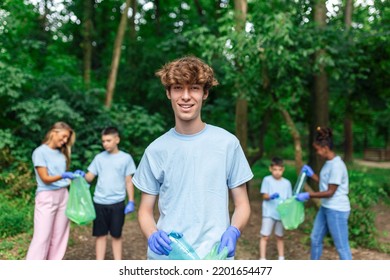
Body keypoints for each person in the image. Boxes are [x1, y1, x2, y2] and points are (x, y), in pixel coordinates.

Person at [132, 56, 253, 260]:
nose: (186, 96)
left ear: (205, 93)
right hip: (168, 258)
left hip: (215, 257)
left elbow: (242, 204)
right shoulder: (155, 150)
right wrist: (152, 234)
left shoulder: (227, 143)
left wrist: (234, 230)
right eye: (178, 88)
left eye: (194, 88)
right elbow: (144, 210)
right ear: (168, 93)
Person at [75, 127, 136, 260]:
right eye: (103, 141)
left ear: (117, 140)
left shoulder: (126, 158)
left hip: (117, 203)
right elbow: (89, 177)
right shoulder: (99, 158)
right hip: (99, 202)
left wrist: (131, 201)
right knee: (100, 235)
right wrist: (81, 176)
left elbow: (128, 182)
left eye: (108, 140)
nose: (105, 144)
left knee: (116, 235)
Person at [296, 126, 352, 260]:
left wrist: (308, 195)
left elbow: (330, 192)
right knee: (315, 239)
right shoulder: (329, 163)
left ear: (325, 148)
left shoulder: (337, 165)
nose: (317, 153)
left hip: (337, 210)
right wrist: (312, 174)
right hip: (326, 207)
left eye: (318, 150)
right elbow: (327, 182)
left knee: (341, 246)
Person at [26, 121, 77, 260]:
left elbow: (61, 178)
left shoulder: (61, 154)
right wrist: (63, 175)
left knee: (59, 236)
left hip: (63, 195)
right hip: (47, 196)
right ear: (54, 132)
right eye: (64, 136)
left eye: (67, 138)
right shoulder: (40, 152)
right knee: (42, 237)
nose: (65, 140)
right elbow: (45, 178)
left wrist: (75, 177)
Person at [259, 157, 292, 260]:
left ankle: (281, 258)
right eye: (275, 169)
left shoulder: (287, 183)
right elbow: (264, 195)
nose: (277, 172)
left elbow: (289, 199)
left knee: (279, 236)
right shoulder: (267, 180)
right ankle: (262, 258)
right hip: (268, 213)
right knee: (265, 236)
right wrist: (270, 196)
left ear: (283, 169)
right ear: (271, 169)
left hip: (281, 214)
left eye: (279, 170)